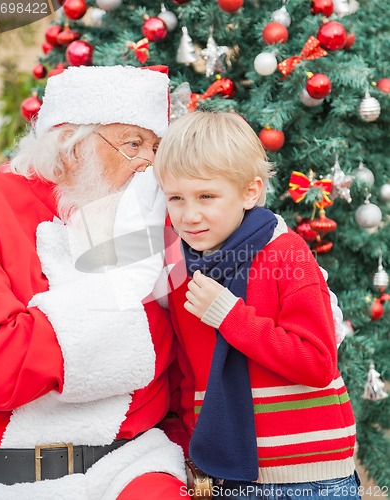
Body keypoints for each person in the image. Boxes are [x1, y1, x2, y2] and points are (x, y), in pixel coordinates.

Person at [0, 65, 187, 499]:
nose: (149, 166)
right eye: (133, 144)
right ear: (69, 145)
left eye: (156, 148)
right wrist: (127, 305)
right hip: (10, 475)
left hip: (134, 464)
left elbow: (183, 364)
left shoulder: (154, 227)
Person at [154, 110, 360, 500]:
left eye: (206, 196)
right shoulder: (182, 270)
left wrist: (229, 315)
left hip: (309, 475)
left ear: (250, 191)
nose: (189, 214)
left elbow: (317, 362)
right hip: (226, 476)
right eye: (176, 198)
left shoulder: (286, 254)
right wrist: (188, 447)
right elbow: (188, 376)